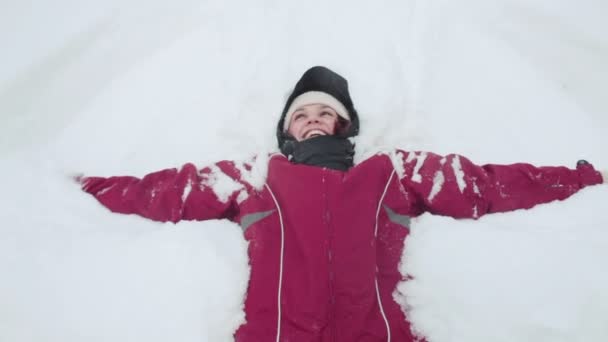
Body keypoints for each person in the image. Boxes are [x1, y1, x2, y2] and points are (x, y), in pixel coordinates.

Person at [79, 66, 606, 342]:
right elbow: (169, 192)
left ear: (343, 125)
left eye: (323, 112)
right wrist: (84, 190)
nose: (311, 117)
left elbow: (482, 186)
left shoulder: (391, 172)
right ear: (286, 127)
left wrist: (576, 180)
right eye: (300, 112)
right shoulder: (256, 176)